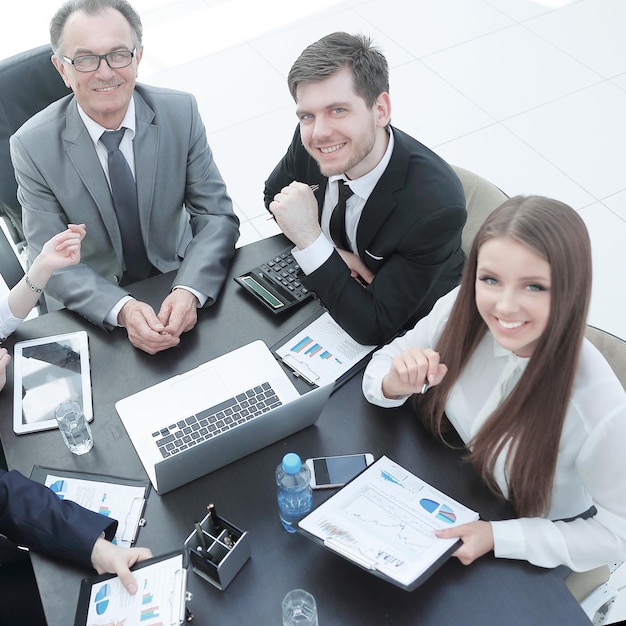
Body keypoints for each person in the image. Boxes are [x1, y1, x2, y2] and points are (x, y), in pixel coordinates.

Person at [363, 195, 626, 572]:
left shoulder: (600, 410)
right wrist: (395, 383)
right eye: (490, 280)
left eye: (533, 286)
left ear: (571, 289)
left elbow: (618, 536)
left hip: (533, 541)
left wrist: (499, 537)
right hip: (453, 480)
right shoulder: (461, 308)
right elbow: (384, 365)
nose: (503, 306)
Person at [10, 0, 240, 355]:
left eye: (118, 54)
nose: (105, 73)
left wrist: (189, 289)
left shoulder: (181, 112)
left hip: (175, 273)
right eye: (85, 59)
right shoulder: (31, 146)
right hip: (93, 302)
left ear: (138, 56)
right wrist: (123, 309)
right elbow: (47, 261)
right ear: (62, 69)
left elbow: (216, 217)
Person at [265, 32, 466, 346]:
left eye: (338, 110)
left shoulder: (436, 208)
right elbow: (274, 198)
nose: (318, 134)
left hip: (406, 332)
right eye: (307, 115)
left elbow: (374, 328)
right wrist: (334, 254)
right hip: (329, 293)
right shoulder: (310, 141)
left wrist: (310, 238)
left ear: (381, 110)